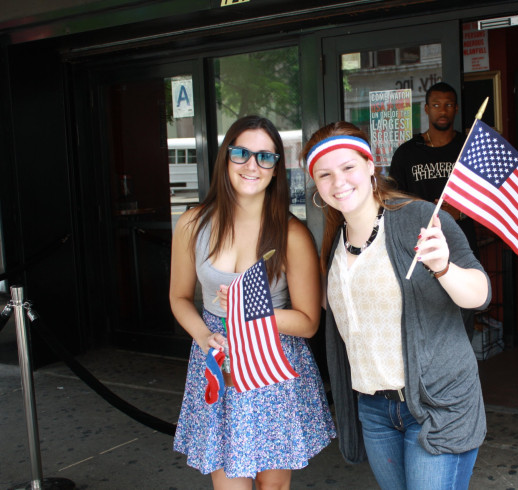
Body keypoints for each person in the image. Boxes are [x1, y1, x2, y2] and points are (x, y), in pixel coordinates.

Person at [304, 121, 491, 489]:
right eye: (324, 174)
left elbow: (481, 293)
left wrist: (443, 268)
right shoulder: (334, 240)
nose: (338, 182)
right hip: (374, 409)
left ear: (370, 165)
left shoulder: (418, 218)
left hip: (436, 404)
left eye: (348, 167)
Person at [170, 115, 335, 489]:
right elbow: (178, 297)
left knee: (271, 486)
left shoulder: (292, 234)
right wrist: (201, 336)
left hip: (271, 365)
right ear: (225, 159)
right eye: (241, 153)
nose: (252, 165)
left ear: (277, 168)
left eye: (265, 157)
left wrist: (252, 311)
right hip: (217, 361)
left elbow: (309, 321)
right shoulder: (192, 224)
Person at [389, 81, 479, 337]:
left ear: (456, 109)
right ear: (426, 109)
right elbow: (394, 202)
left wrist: (459, 212)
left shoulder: (468, 148)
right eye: (437, 105)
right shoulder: (407, 153)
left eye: (449, 105)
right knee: (425, 320)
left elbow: (486, 195)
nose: (443, 110)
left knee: (463, 315)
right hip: (419, 249)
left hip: (461, 245)